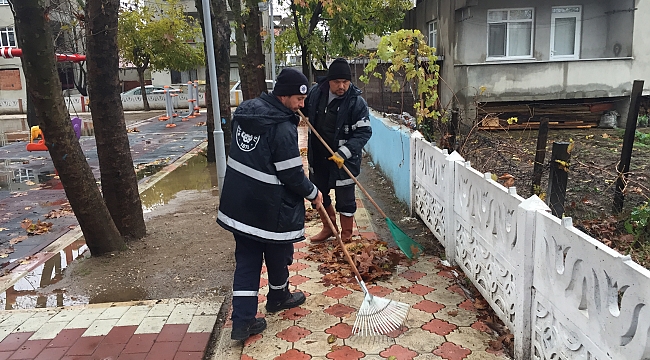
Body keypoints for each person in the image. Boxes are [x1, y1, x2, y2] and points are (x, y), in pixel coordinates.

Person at [217, 68, 323, 341]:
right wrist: (313, 193)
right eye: (299, 100)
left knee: (248, 261)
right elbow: (291, 175)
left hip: (239, 205)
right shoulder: (282, 129)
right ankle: (276, 298)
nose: (302, 105)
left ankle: (247, 318)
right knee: (277, 250)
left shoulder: (246, 112)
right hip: (267, 208)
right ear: (284, 95)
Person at [305, 58, 372, 242]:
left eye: (345, 82)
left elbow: (364, 132)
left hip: (344, 160)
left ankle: (347, 236)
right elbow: (302, 108)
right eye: (337, 82)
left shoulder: (356, 103)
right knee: (318, 193)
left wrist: (344, 152)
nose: (341, 86)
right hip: (319, 155)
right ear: (329, 81)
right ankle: (329, 227)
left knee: (345, 199)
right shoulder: (316, 94)